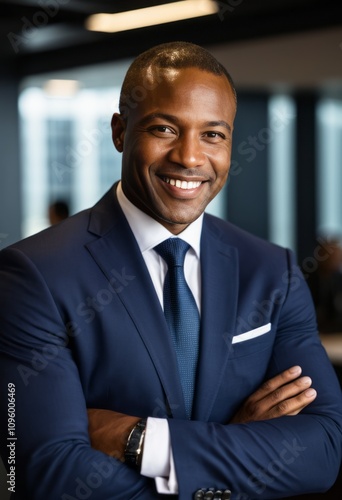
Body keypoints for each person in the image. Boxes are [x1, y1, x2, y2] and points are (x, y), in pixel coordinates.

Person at [0, 41, 341, 500]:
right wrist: (235, 449)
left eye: (213, 135)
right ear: (120, 132)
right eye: (164, 129)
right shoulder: (33, 274)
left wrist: (139, 440)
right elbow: (47, 473)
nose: (190, 157)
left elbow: (323, 448)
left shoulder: (271, 270)